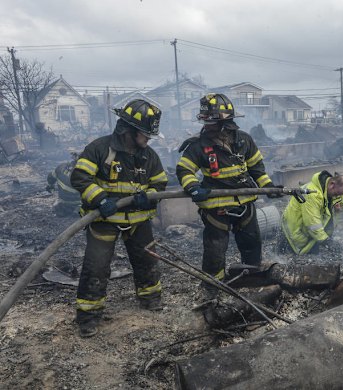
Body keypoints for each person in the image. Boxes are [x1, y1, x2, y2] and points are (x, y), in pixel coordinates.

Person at [70, 99, 168, 338]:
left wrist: (150, 196)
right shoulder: (100, 149)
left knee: (147, 261)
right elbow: (80, 177)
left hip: (138, 220)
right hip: (105, 220)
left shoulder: (149, 155)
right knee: (96, 266)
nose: (148, 139)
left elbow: (160, 182)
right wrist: (100, 199)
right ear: (128, 130)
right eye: (145, 134)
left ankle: (150, 299)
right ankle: (88, 316)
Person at [176, 93, 281, 300]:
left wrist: (268, 187)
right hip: (216, 207)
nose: (208, 126)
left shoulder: (244, 140)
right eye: (206, 121)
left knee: (252, 245)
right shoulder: (197, 145)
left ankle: (251, 281)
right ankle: (212, 289)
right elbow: (184, 170)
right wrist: (193, 187)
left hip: (245, 203)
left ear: (226, 122)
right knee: (215, 250)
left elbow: (257, 169)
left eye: (212, 122)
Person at [280, 171, 343, 255]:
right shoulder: (312, 195)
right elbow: (312, 224)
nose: (339, 196)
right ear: (332, 185)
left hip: (313, 235)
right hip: (295, 234)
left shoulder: (332, 190)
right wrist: (327, 242)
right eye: (337, 194)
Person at [46, 151, 81, 217]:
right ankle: (77, 210)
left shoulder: (61, 167)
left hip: (63, 204)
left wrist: (50, 186)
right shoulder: (85, 173)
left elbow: (50, 177)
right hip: (79, 204)